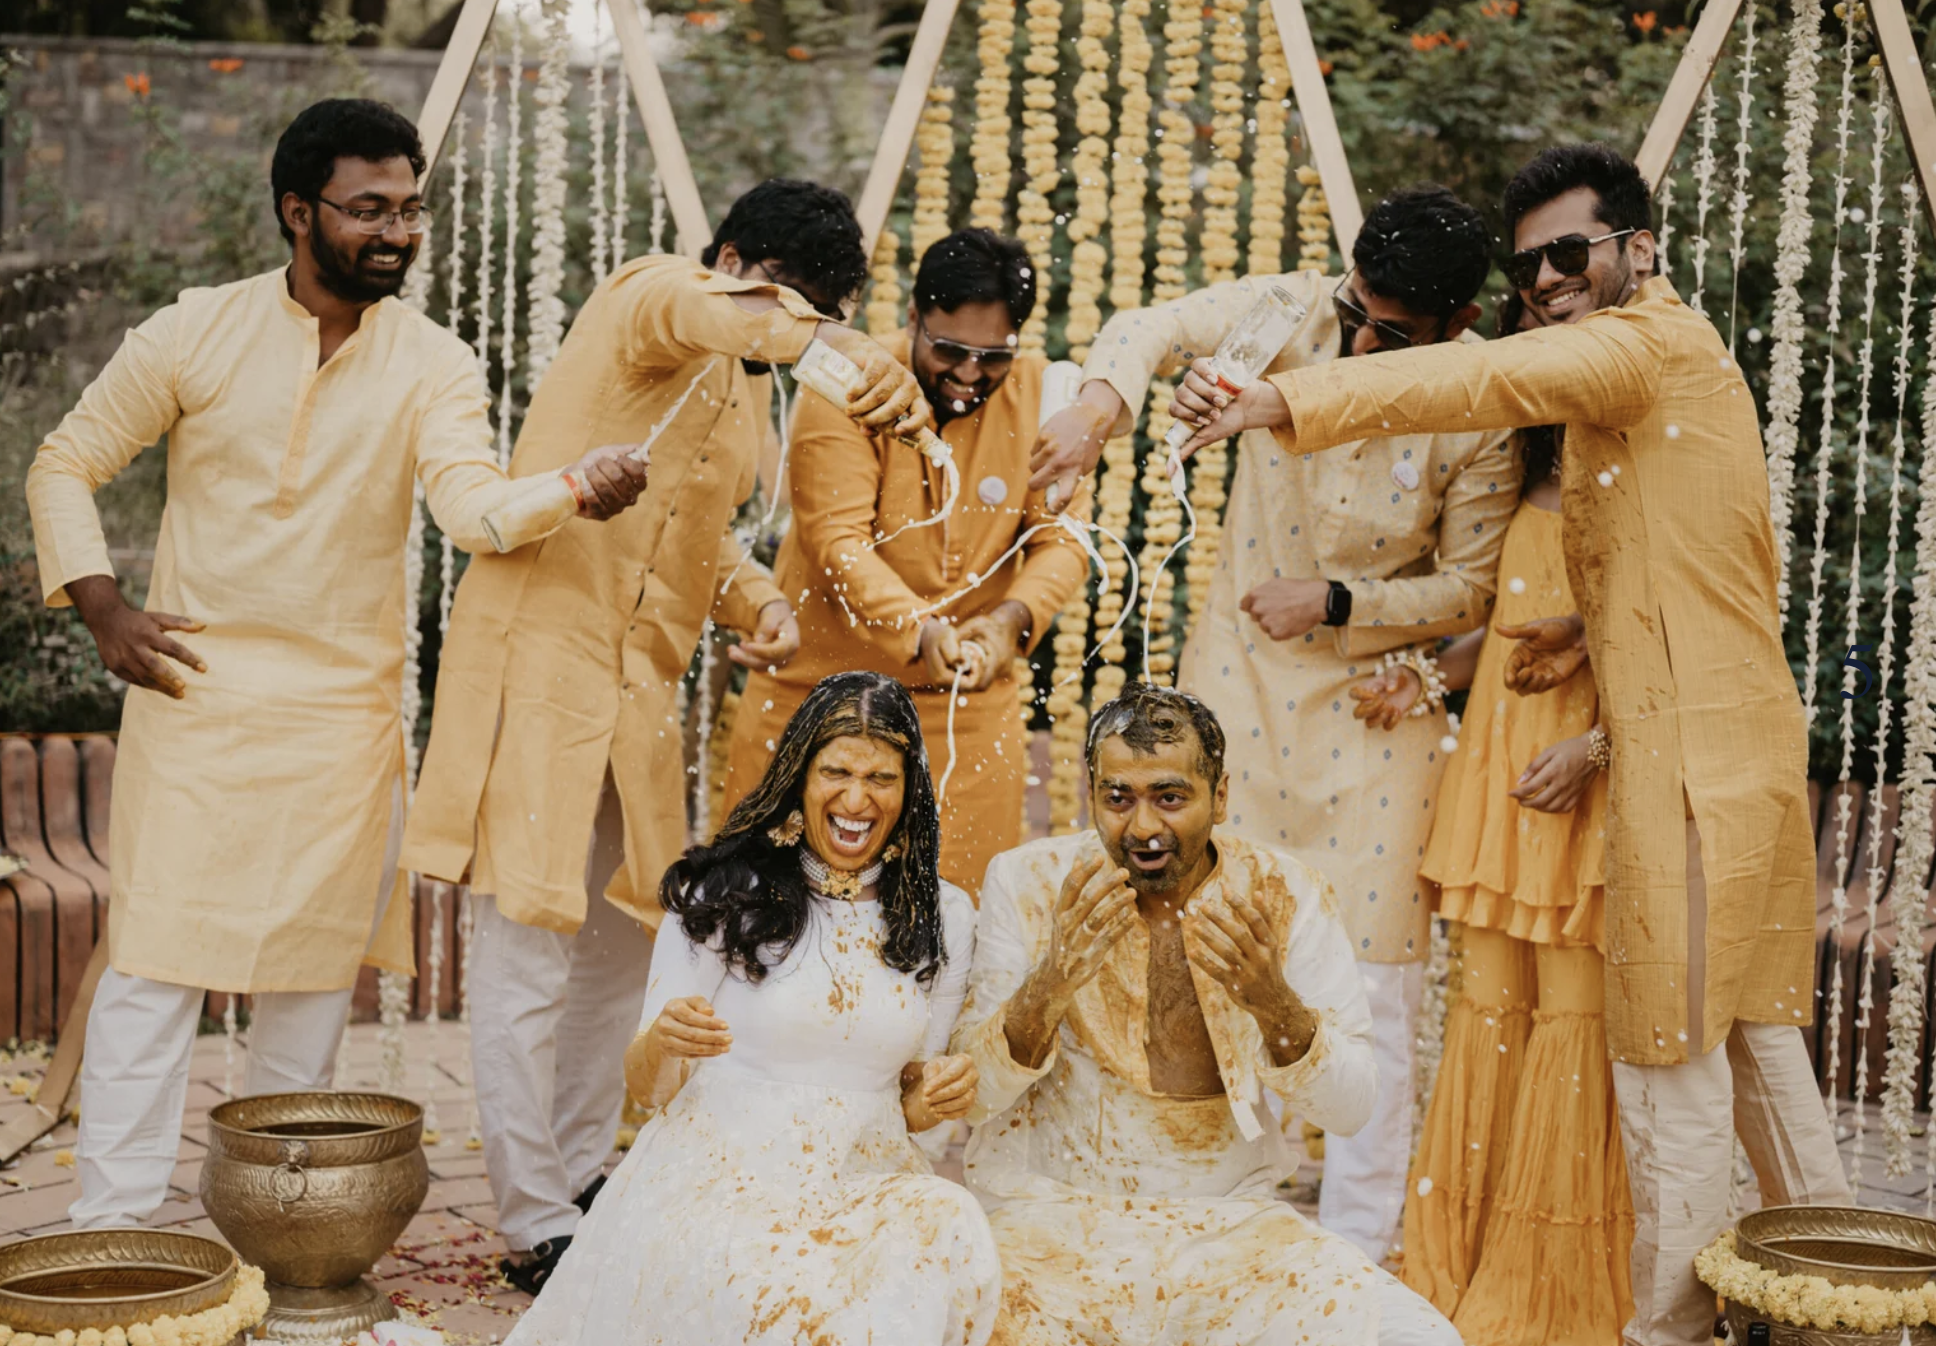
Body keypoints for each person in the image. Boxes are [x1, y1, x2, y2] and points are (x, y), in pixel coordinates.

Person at [1171, 142, 1850, 1346]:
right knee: (1756, 1055)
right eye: (1530, 263)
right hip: (1722, 745)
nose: (1544, 280)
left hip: (1689, 769)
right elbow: (1703, 554)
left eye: (1568, 252)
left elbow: (1477, 381)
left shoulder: (1639, 345)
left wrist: (1280, 400)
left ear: (1641, 246)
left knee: (1671, 1068)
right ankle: (1845, 1297)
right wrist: (1587, 627)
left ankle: (1663, 1331)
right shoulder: (1659, 372)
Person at [22, 99, 650, 1229]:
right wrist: (102, 605)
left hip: (340, 726)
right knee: (152, 973)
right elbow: (64, 460)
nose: (398, 232)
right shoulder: (195, 330)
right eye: (369, 210)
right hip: (193, 700)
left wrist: (570, 488)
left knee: (307, 993)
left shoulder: (433, 362)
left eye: (409, 209)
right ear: (297, 212)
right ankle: (110, 1233)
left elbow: (471, 508)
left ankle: (274, 1232)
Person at [402, 178, 929, 1291]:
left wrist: (759, 602)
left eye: (825, 303)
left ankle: (579, 1171)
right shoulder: (652, 297)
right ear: (730, 261)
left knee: (618, 945)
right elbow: (715, 312)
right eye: (786, 294)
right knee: (527, 949)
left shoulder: (740, 393)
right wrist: (830, 338)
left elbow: (700, 539)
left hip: (637, 694)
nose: (797, 319)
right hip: (540, 667)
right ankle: (531, 1214)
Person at [1027, 184, 1520, 1262]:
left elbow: (1472, 586)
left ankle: (1352, 1254)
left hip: (1373, 712)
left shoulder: (1477, 404)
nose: (1358, 341)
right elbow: (1153, 325)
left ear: (1458, 325)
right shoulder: (1291, 312)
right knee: (1206, 952)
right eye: (1355, 310)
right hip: (1238, 695)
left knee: (1372, 988)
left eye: (1390, 333)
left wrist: (1339, 603)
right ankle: (1218, 1219)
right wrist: (1096, 410)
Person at [952, 682, 1460, 1345]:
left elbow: (1352, 1107)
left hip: (1233, 1231)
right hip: (1049, 1224)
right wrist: (1052, 981)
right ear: (1091, 793)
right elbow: (974, 1099)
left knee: (1416, 1338)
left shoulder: (1285, 893)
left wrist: (1275, 1007)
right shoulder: (1030, 883)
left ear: (1220, 798)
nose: (1142, 828)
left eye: (1170, 797)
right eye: (1118, 798)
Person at [502, 671, 998, 1345]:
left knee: (951, 1221)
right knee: (792, 1301)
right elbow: (649, 1089)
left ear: (909, 792)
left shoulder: (944, 916)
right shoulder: (723, 894)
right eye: (836, 772)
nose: (857, 799)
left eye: (881, 778)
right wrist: (664, 1043)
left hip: (863, 1182)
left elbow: (911, 1106)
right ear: (799, 778)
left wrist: (937, 1095)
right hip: (719, 1185)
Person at [1349, 293, 1632, 1345]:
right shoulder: (1526, 466)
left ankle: (1550, 1289)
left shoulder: (1642, 471)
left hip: (1587, 781)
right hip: (1502, 778)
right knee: (1488, 1016)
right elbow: (1510, 622)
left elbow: (1673, 641)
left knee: (1571, 1026)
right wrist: (1426, 675)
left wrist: (1594, 746)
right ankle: (1459, 1268)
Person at [722, 228, 1091, 897]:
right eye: (949, 350)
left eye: (994, 356)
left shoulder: (1044, 398)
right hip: (814, 700)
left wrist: (1010, 621)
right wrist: (920, 631)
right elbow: (837, 541)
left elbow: (1061, 541)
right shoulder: (849, 379)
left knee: (958, 925)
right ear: (915, 316)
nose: (969, 374)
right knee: (767, 915)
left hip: (963, 714)